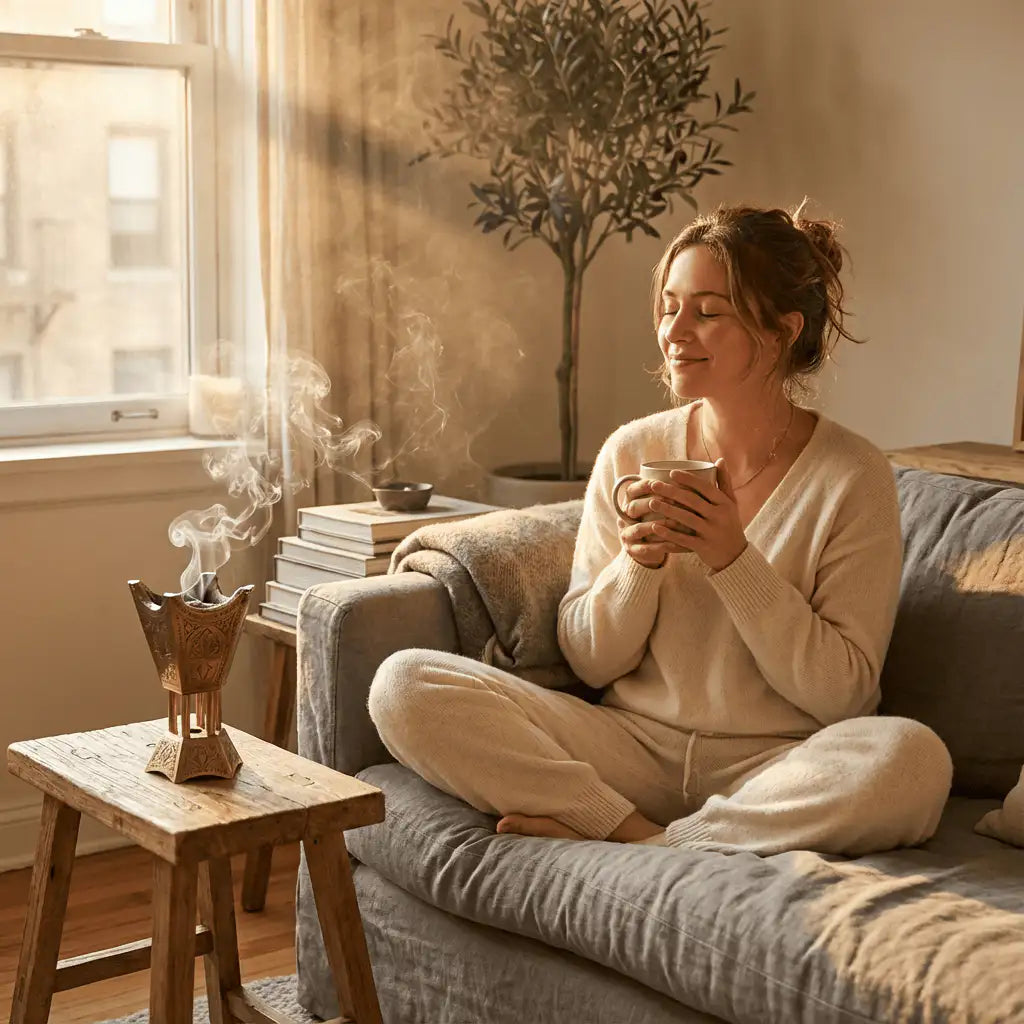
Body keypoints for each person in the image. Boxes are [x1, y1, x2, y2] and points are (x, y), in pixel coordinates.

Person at [368, 202, 953, 856]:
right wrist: (635, 570)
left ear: (784, 330)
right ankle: (631, 829)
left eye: (707, 311)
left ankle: (659, 846)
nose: (675, 331)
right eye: (669, 306)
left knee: (912, 758)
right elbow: (591, 660)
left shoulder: (852, 475)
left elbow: (844, 695)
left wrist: (734, 561)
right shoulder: (631, 451)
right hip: (628, 746)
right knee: (403, 684)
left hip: (777, 767)